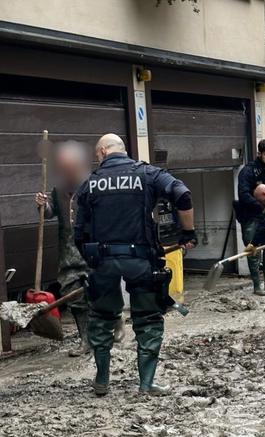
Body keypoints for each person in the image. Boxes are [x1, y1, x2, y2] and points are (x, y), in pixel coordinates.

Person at [74, 133, 197, 396]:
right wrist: (188, 233)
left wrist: (92, 262)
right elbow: (182, 195)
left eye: (97, 155)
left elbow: (79, 234)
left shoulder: (89, 184)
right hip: (142, 260)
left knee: (102, 318)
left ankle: (102, 380)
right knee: (148, 319)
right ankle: (147, 383)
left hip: (103, 261)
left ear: (103, 153)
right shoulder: (149, 174)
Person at [35, 142, 125, 357]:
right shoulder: (58, 190)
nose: (67, 172)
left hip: (93, 247)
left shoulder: (95, 184)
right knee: (74, 297)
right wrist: (42, 206)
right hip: (68, 252)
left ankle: (117, 319)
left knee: (101, 291)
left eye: (70, 167)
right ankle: (86, 340)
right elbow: (50, 213)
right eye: (63, 168)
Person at [236, 139, 265, 296]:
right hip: (250, 217)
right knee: (253, 251)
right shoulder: (247, 172)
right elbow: (243, 195)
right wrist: (260, 207)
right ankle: (256, 285)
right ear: (259, 154)